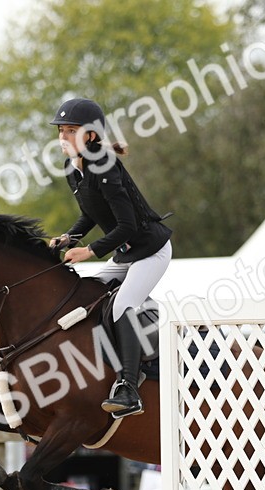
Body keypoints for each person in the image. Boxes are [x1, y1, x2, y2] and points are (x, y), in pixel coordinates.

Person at [48, 97, 173, 418]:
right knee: (88, 294)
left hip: (151, 250)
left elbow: (127, 225)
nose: (62, 137)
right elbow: (89, 215)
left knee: (121, 306)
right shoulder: (72, 169)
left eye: (70, 130)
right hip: (126, 253)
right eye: (61, 130)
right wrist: (68, 238)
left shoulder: (103, 165)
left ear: (90, 135)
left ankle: (129, 388)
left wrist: (89, 251)